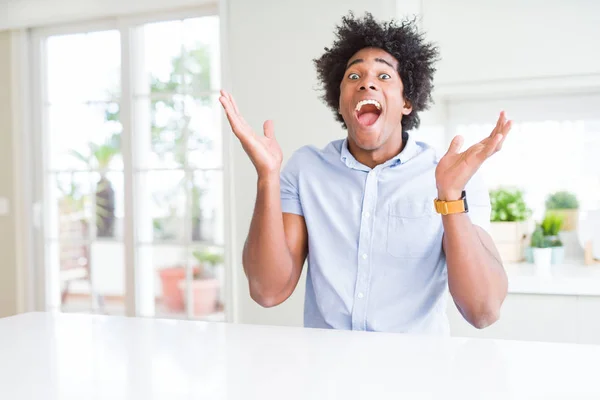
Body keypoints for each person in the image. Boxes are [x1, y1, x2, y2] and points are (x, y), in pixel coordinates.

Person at [219, 12, 511, 334]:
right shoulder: (306, 170)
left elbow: (483, 311)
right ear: (340, 102)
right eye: (353, 76)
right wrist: (267, 177)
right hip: (325, 374)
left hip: (417, 374)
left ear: (406, 102)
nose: (367, 82)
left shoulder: (454, 176)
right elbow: (268, 291)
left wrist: (451, 198)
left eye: (384, 77)